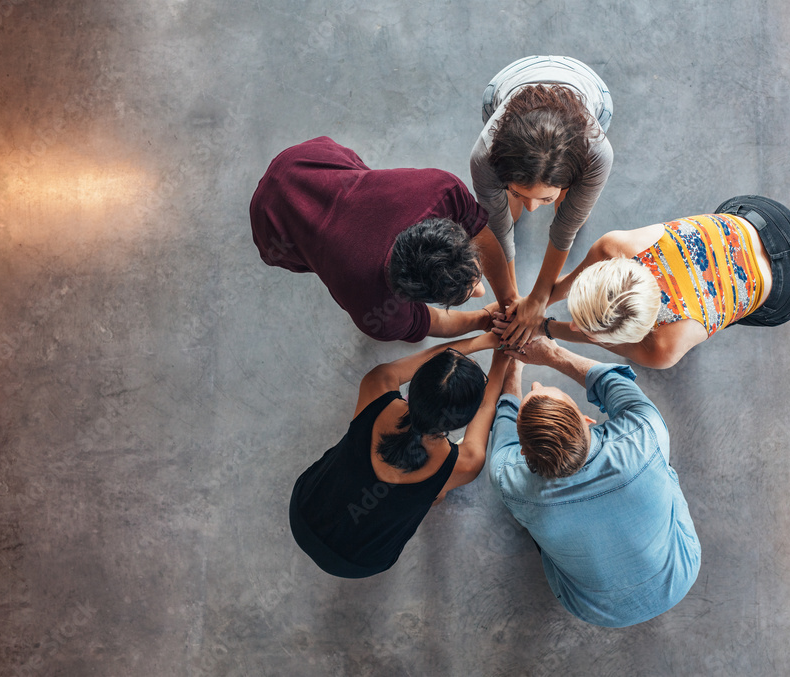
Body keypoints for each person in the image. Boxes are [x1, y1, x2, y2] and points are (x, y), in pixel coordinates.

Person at [488, 337, 700, 628]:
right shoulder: (644, 435)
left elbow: (504, 429)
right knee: (659, 465)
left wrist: (515, 368)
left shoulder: (508, 479)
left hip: (594, 610)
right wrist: (552, 354)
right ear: (587, 420)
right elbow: (609, 380)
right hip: (680, 575)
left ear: (523, 453)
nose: (537, 387)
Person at [290, 332, 510, 578]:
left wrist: (485, 339)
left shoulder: (376, 385)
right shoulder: (466, 464)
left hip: (304, 512)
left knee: (435, 490)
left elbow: (428, 357)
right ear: (463, 420)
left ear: (415, 384)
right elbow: (487, 407)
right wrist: (501, 356)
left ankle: (436, 492)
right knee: (437, 493)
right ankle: (436, 493)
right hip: (361, 562)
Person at [250, 136, 514, 342]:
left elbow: (481, 233)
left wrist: (509, 300)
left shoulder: (440, 190)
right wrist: (482, 320)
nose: (479, 289)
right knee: (311, 249)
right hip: (273, 217)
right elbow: (427, 323)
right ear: (410, 297)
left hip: (307, 159)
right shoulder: (375, 311)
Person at [534, 195, 790, 368]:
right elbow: (565, 286)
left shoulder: (664, 350)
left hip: (788, 288)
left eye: (586, 329)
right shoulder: (612, 247)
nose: (572, 325)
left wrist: (545, 327)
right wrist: (532, 306)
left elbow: (592, 338)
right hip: (763, 218)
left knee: (736, 314)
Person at [469, 55, 614, 347]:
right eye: (520, 192)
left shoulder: (597, 154)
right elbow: (497, 226)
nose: (534, 208)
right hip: (507, 82)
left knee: (572, 214)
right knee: (508, 214)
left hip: (592, 90)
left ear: (574, 176)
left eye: (545, 197)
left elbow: (565, 229)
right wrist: (510, 298)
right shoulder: (484, 156)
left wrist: (538, 299)